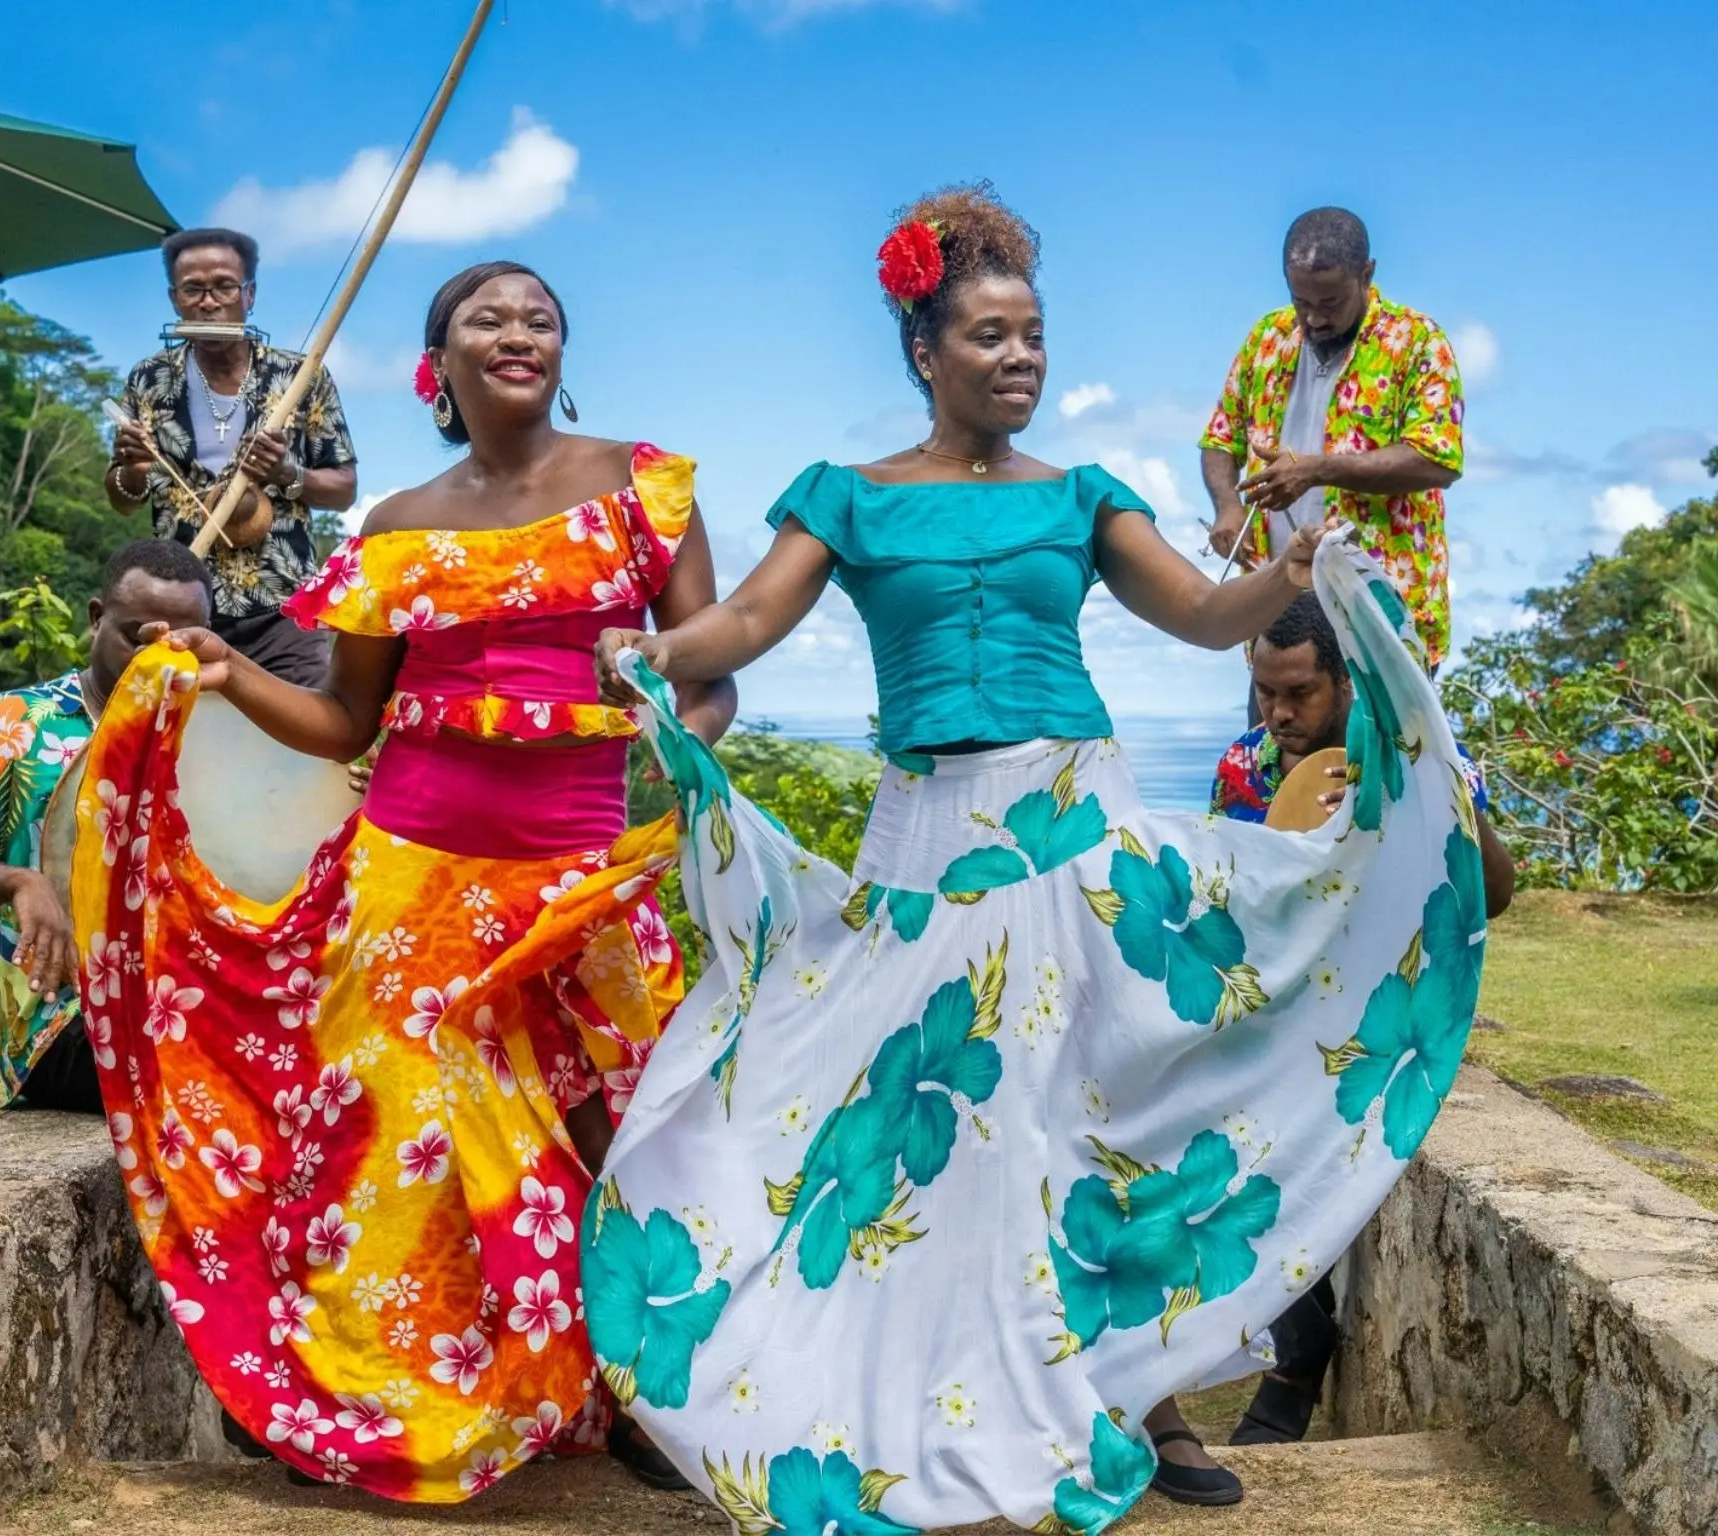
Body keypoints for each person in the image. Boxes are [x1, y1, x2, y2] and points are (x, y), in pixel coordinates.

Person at [586, 184, 1490, 1529]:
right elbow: (745, 627)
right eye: (993, 337)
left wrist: (1296, 565)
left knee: (1083, 1104)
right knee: (916, 1125)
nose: (1022, 358)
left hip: (1075, 825)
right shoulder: (846, 497)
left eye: (1035, 336)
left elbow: (1203, 614)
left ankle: (1145, 1400)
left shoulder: (1083, 496)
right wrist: (654, 654)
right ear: (925, 354)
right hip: (924, 837)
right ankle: (888, 1389)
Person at [67, 260, 735, 1501]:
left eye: (541, 314)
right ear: (439, 362)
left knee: (629, 1144)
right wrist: (219, 666)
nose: (518, 329)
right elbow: (338, 721)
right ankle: (391, 1406)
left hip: (582, 878)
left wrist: (678, 725)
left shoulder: (646, 487)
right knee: (400, 1170)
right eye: (487, 316)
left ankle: (642, 1394)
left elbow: (710, 674)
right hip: (411, 883)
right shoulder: (394, 525)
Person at [1206, 590, 1513, 1447]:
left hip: (1396, 1007)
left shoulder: (1421, 753)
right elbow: (1230, 912)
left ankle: (1296, 1356)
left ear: (1346, 683)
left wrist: (1443, 794)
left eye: (1298, 692)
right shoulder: (1247, 766)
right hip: (1289, 1009)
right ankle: (1296, 1332)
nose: (1278, 713)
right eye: (1264, 691)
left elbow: (1494, 895)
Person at [0, 541, 214, 1112]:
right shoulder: (15, 727)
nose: (160, 658)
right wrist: (19, 882)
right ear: (96, 619)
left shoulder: (221, 726)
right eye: (138, 635)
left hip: (198, 1004)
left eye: (182, 643)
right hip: (65, 1028)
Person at [1200, 208, 1464, 698]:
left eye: (1331, 302)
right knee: (1279, 768)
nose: (1314, 318)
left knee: (1376, 771)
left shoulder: (1417, 342)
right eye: (1301, 301)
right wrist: (1228, 508)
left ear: (1368, 274)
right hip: (1277, 621)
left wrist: (1314, 470)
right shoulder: (1267, 339)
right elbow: (1220, 438)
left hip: (1379, 619)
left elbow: (1437, 459)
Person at [106, 227, 359, 688]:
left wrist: (289, 474)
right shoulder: (149, 378)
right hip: (182, 612)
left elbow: (344, 489)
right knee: (184, 750)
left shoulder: (300, 376)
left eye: (223, 286)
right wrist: (131, 470)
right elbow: (124, 499)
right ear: (174, 299)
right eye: (193, 290)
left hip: (285, 614)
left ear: (250, 294)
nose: (208, 301)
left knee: (302, 745)